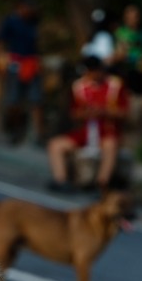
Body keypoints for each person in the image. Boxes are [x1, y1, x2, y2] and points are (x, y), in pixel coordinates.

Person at [46, 55, 130, 193]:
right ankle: (61, 179)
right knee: (55, 145)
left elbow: (124, 113)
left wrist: (104, 112)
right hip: (86, 131)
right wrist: (86, 113)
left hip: (107, 131)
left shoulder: (115, 85)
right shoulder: (79, 87)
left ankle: (102, 183)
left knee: (111, 145)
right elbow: (74, 114)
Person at [0, 0, 43, 144]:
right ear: (20, 7)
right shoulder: (10, 21)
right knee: (13, 101)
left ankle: (37, 135)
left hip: (32, 64)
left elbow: (37, 45)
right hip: (15, 63)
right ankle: (15, 129)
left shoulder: (34, 22)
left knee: (36, 100)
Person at [113, 4, 142, 91]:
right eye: (131, 17)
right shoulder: (121, 32)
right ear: (125, 18)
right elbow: (119, 52)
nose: (134, 19)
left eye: (136, 16)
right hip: (130, 68)